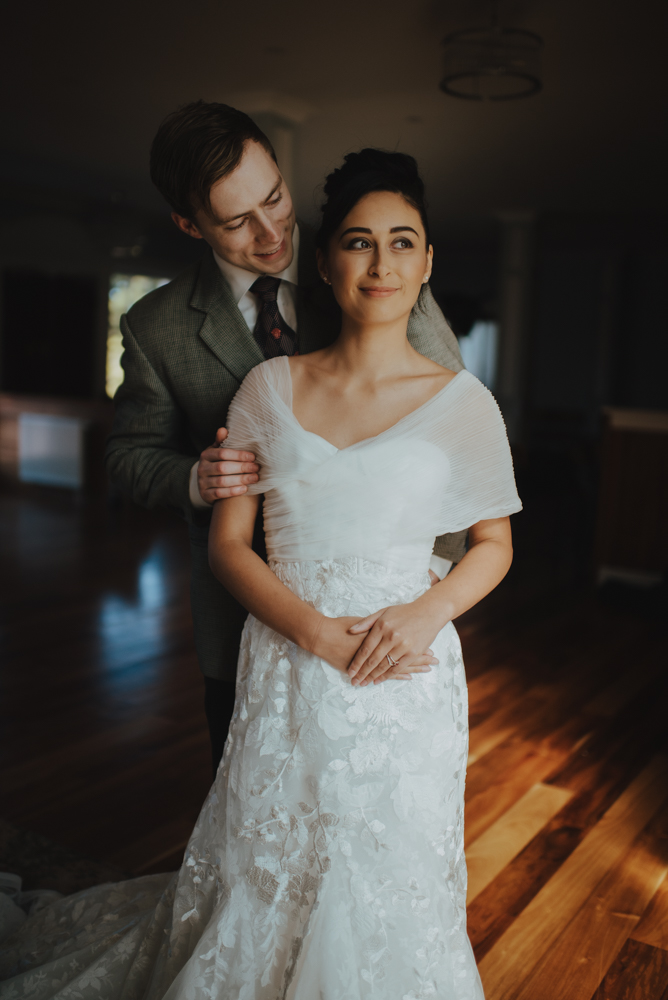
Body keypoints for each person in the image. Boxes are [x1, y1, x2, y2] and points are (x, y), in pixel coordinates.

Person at [0, 149, 521, 999]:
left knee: (387, 872)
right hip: (286, 662)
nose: (381, 263)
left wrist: (428, 613)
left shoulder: (464, 402)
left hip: (408, 677)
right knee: (272, 869)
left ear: (428, 261)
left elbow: (494, 544)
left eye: (402, 242)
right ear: (324, 262)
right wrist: (311, 630)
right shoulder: (267, 388)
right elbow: (228, 545)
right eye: (358, 242)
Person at [105, 101, 468, 772]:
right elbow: (127, 455)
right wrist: (193, 478)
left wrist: (430, 580)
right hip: (239, 615)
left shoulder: (367, 255)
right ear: (189, 224)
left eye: (274, 197)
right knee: (252, 807)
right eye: (237, 221)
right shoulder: (155, 328)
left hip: (383, 607)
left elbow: (449, 419)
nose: (272, 231)